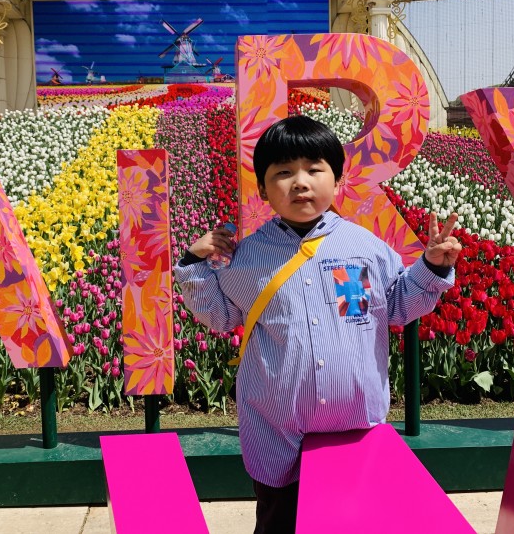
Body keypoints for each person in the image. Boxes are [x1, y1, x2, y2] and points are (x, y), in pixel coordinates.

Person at [174, 116, 462, 534]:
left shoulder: (364, 248)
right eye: (283, 173)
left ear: (338, 180)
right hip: (278, 434)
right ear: (262, 188)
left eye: (314, 168)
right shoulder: (248, 257)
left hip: (356, 429)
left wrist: (431, 268)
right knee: (279, 523)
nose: (300, 182)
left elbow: (397, 306)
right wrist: (193, 266)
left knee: (355, 523)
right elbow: (220, 315)